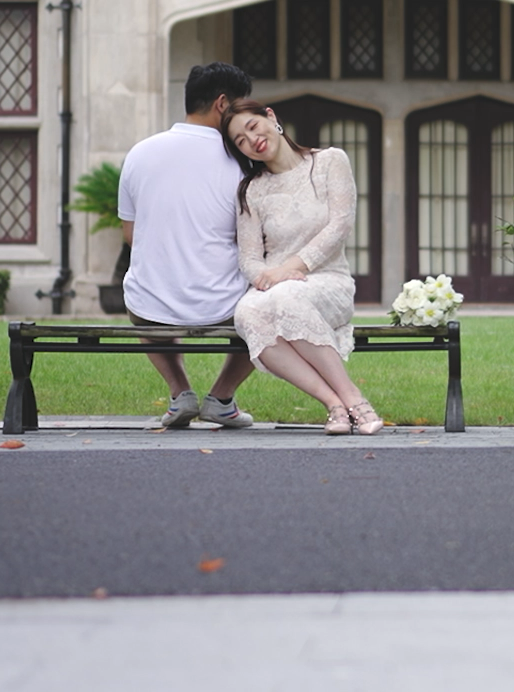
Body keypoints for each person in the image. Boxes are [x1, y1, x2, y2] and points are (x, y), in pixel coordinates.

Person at [220, 98, 383, 435]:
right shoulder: (251, 191)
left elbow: (339, 226)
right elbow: (248, 258)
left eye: (252, 127)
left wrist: (289, 269)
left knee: (289, 298)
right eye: (241, 141)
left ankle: (354, 399)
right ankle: (334, 404)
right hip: (274, 287)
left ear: (271, 117)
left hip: (326, 280)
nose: (252, 140)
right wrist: (266, 279)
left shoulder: (329, 162)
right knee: (246, 313)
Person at [117, 63, 257, 428]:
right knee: (270, 313)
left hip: (153, 303)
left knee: (138, 297)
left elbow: (130, 235)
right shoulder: (242, 160)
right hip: (224, 303)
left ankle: (181, 392)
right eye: (242, 108)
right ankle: (222, 397)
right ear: (223, 104)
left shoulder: (139, 153)